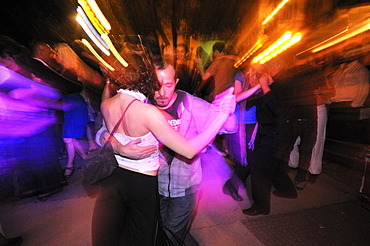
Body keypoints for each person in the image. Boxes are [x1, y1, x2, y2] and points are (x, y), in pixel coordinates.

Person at [91, 44, 236, 246]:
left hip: (183, 189)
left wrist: (222, 112)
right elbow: (101, 133)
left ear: (176, 82)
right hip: (153, 188)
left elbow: (230, 126)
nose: (161, 92)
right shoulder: (142, 105)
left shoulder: (192, 104)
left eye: (168, 85)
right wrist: (117, 146)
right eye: (156, 85)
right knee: (161, 233)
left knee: (168, 235)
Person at [223, 67, 262, 201]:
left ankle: (234, 183)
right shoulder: (241, 75)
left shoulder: (261, 76)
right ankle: (231, 186)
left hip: (255, 124)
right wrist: (258, 86)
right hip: (241, 123)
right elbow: (238, 97)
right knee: (246, 159)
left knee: (250, 158)